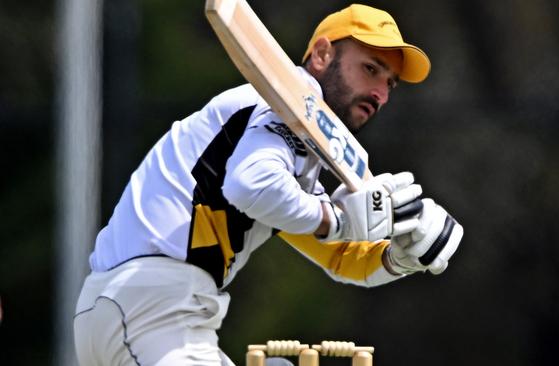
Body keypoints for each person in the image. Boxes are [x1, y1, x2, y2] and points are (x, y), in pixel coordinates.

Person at [73, 4, 463, 366]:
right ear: (323, 55)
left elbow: (337, 255)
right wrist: (339, 218)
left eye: (390, 85)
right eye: (371, 69)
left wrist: (398, 257)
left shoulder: (293, 153)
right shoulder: (279, 107)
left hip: (154, 313)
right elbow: (252, 186)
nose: (380, 94)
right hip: (151, 309)